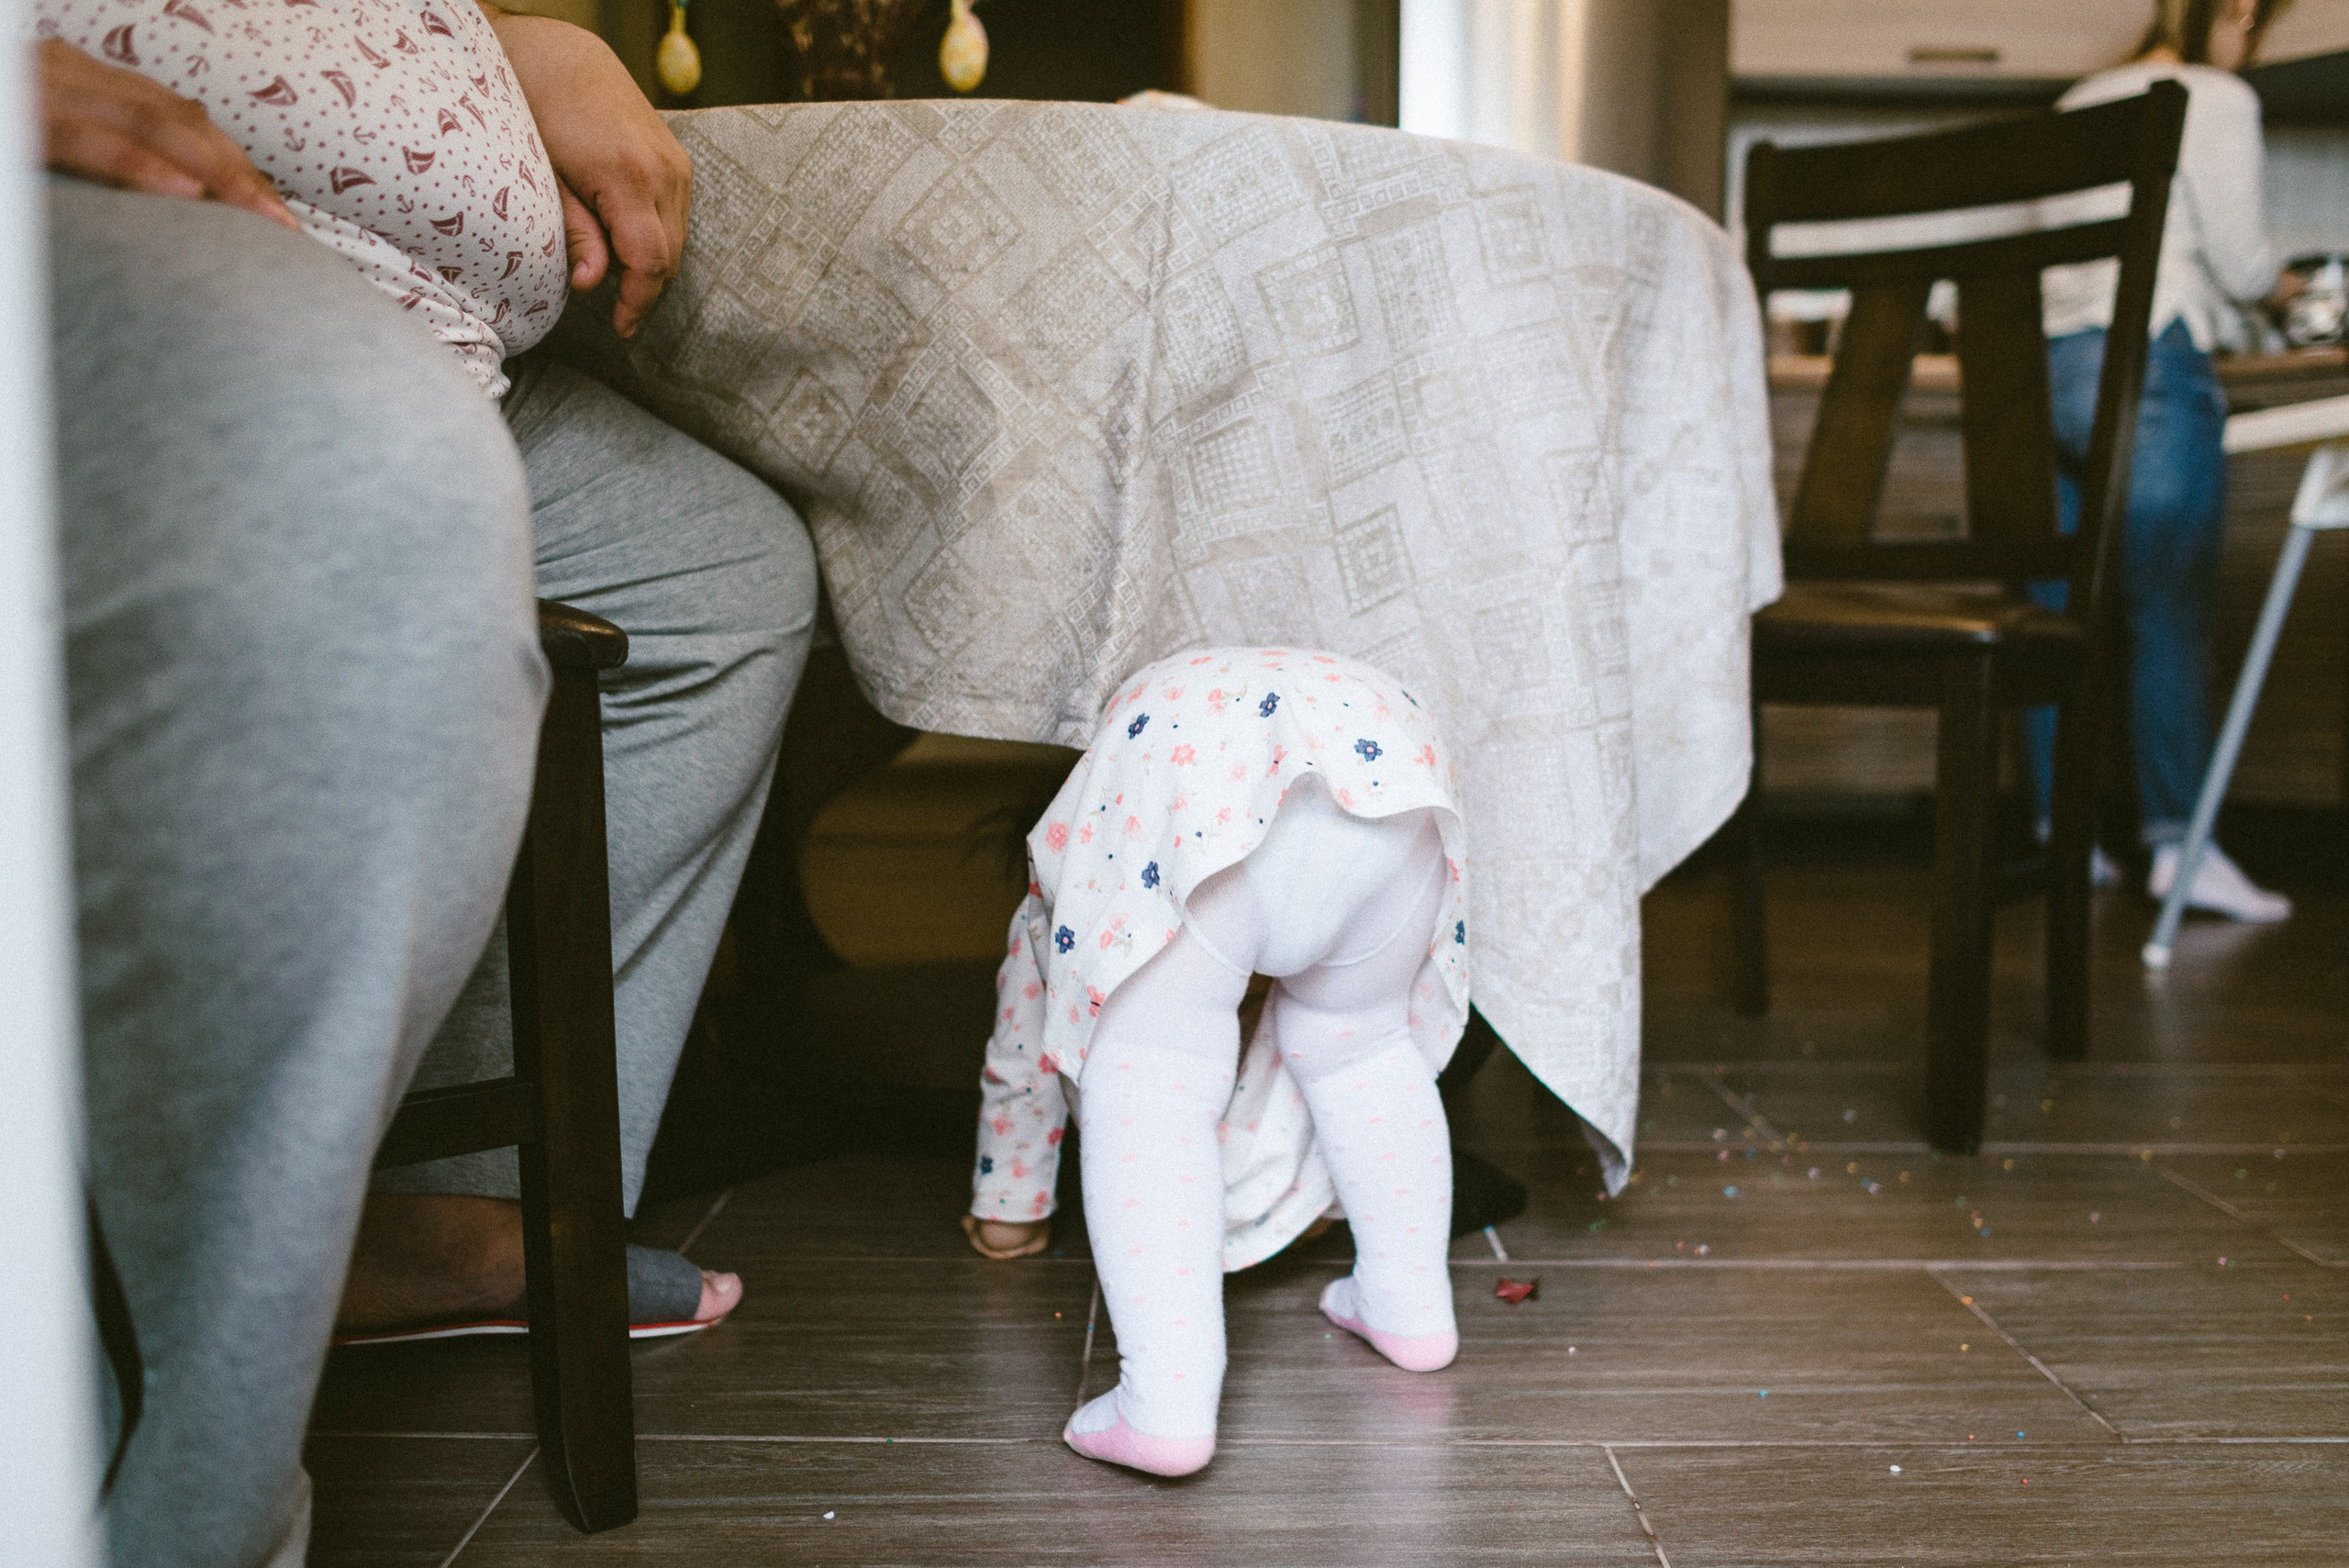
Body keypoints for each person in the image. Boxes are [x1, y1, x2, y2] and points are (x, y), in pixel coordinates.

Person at [39, 1, 817, 1559]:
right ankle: (199, 1491)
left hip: (436, 324)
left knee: (721, 574)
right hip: (119, 240)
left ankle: (406, 1212)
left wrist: (511, 42)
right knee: (381, 493)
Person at [964, 650, 1472, 1478]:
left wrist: (1007, 1204)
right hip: (1391, 758)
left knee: (1153, 1086)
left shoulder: (1092, 851)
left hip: (1204, 767)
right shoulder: (1204, 710)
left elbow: (1024, 1048)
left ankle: (1163, 1406)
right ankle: (1410, 1306)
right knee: (1366, 1048)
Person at [2030, 0, 2299, 923]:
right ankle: (2177, 846)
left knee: (2053, 610)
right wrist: (2288, 287)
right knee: (2166, 609)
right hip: (2149, 351)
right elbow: (2240, 264)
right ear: (2235, 11)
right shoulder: (2213, 97)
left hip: (2053, 365)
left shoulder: (2077, 102)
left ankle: (2052, 832)